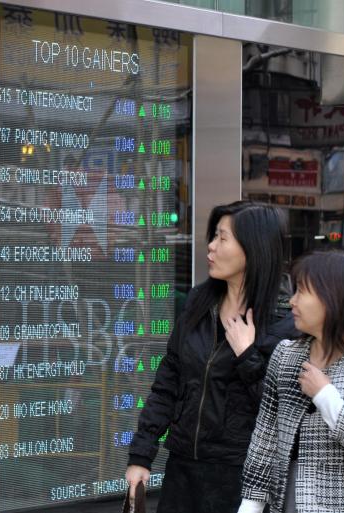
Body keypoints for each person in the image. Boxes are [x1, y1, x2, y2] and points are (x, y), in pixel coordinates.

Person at [125, 201, 297, 512]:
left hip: (241, 479)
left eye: (222, 238)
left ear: (253, 249)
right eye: (213, 236)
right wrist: (141, 454)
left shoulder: (285, 321)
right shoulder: (198, 303)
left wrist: (248, 356)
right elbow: (168, 382)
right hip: (183, 472)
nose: (211, 247)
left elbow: (283, 412)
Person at [238, 251, 344, 513]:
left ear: (334, 298)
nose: (291, 301)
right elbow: (264, 440)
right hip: (288, 503)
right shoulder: (286, 354)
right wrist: (250, 507)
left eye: (302, 291)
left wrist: (326, 396)